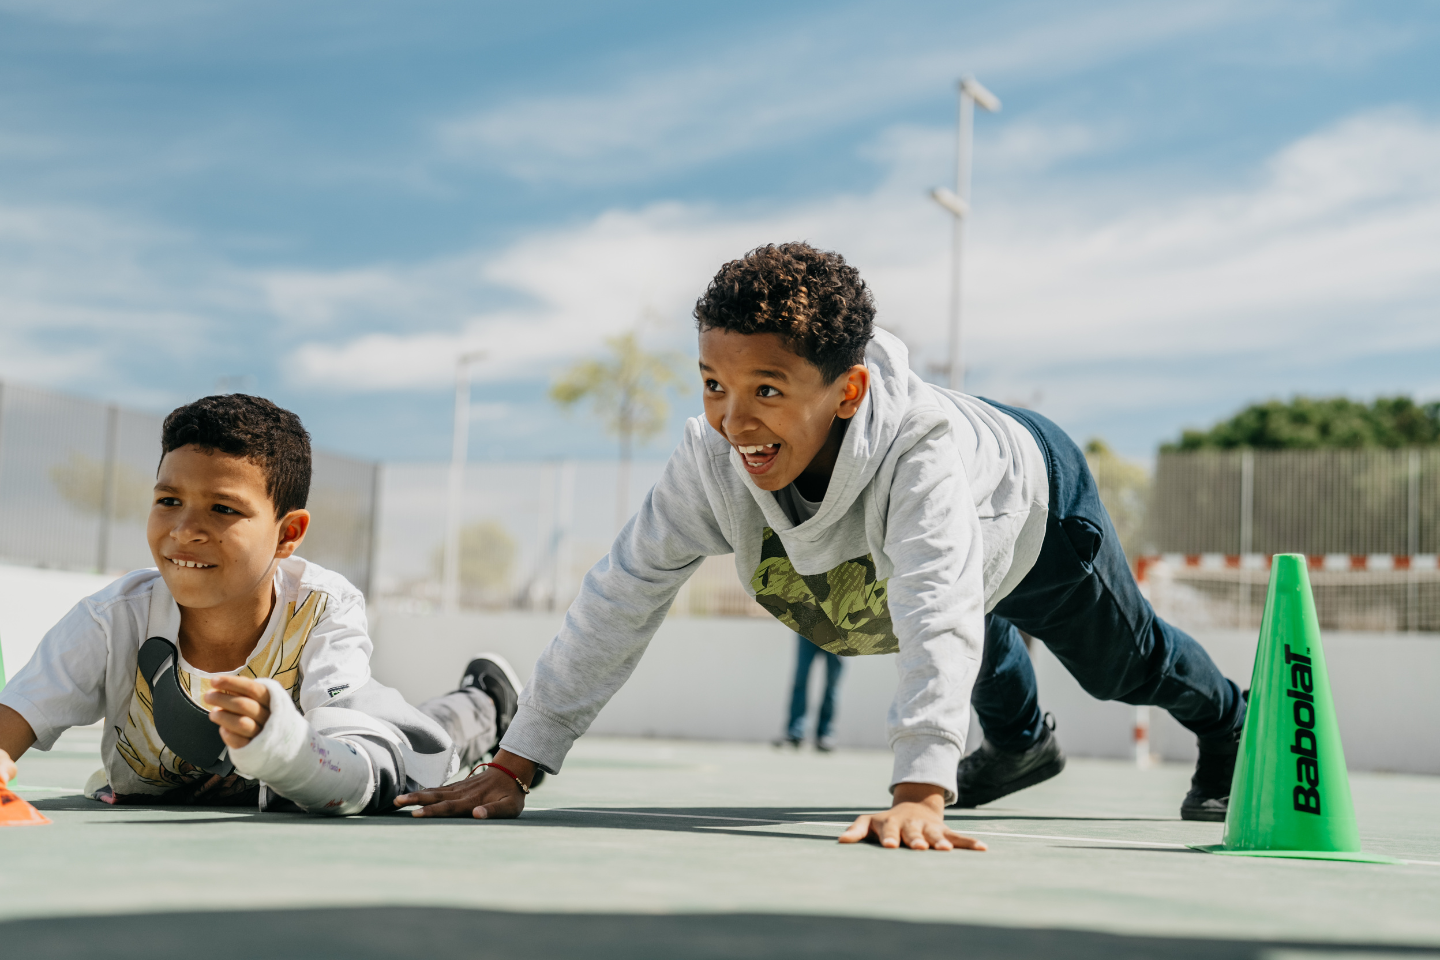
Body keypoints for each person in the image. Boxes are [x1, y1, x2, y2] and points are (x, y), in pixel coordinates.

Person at [397, 242, 1246, 848]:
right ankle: (1022, 746)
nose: (735, 420)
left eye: (768, 389)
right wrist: (520, 759)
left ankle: (1230, 721)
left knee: (1115, 666)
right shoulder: (712, 460)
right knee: (924, 599)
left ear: (849, 393)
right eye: (714, 384)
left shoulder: (920, 456)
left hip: (1038, 505)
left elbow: (940, 606)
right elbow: (620, 599)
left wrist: (919, 789)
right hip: (950, 554)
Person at [0, 394, 526, 813]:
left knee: (425, 739)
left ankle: (487, 703)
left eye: (223, 508)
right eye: (168, 501)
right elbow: (15, 717)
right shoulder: (111, 619)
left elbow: (359, 769)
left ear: (287, 533)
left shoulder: (321, 608)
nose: (185, 530)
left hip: (360, 732)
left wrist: (287, 750)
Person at [776, 633, 843, 751]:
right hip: (809, 627)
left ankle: (825, 734)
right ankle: (795, 733)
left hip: (839, 631)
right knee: (800, 680)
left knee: (832, 686)